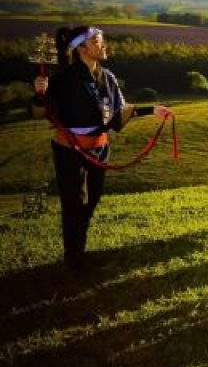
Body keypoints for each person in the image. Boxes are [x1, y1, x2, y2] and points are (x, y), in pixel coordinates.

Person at [31, 26, 173, 270]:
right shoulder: (63, 79)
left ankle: (78, 249)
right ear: (81, 48)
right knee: (74, 203)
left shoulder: (107, 76)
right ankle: (74, 258)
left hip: (100, 148)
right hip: (70, 150)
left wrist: (153, 110)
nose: (103, 45)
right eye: (97, 41)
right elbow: (42, 112)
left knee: (92, 200)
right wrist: (39, 95)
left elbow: (120, 110)